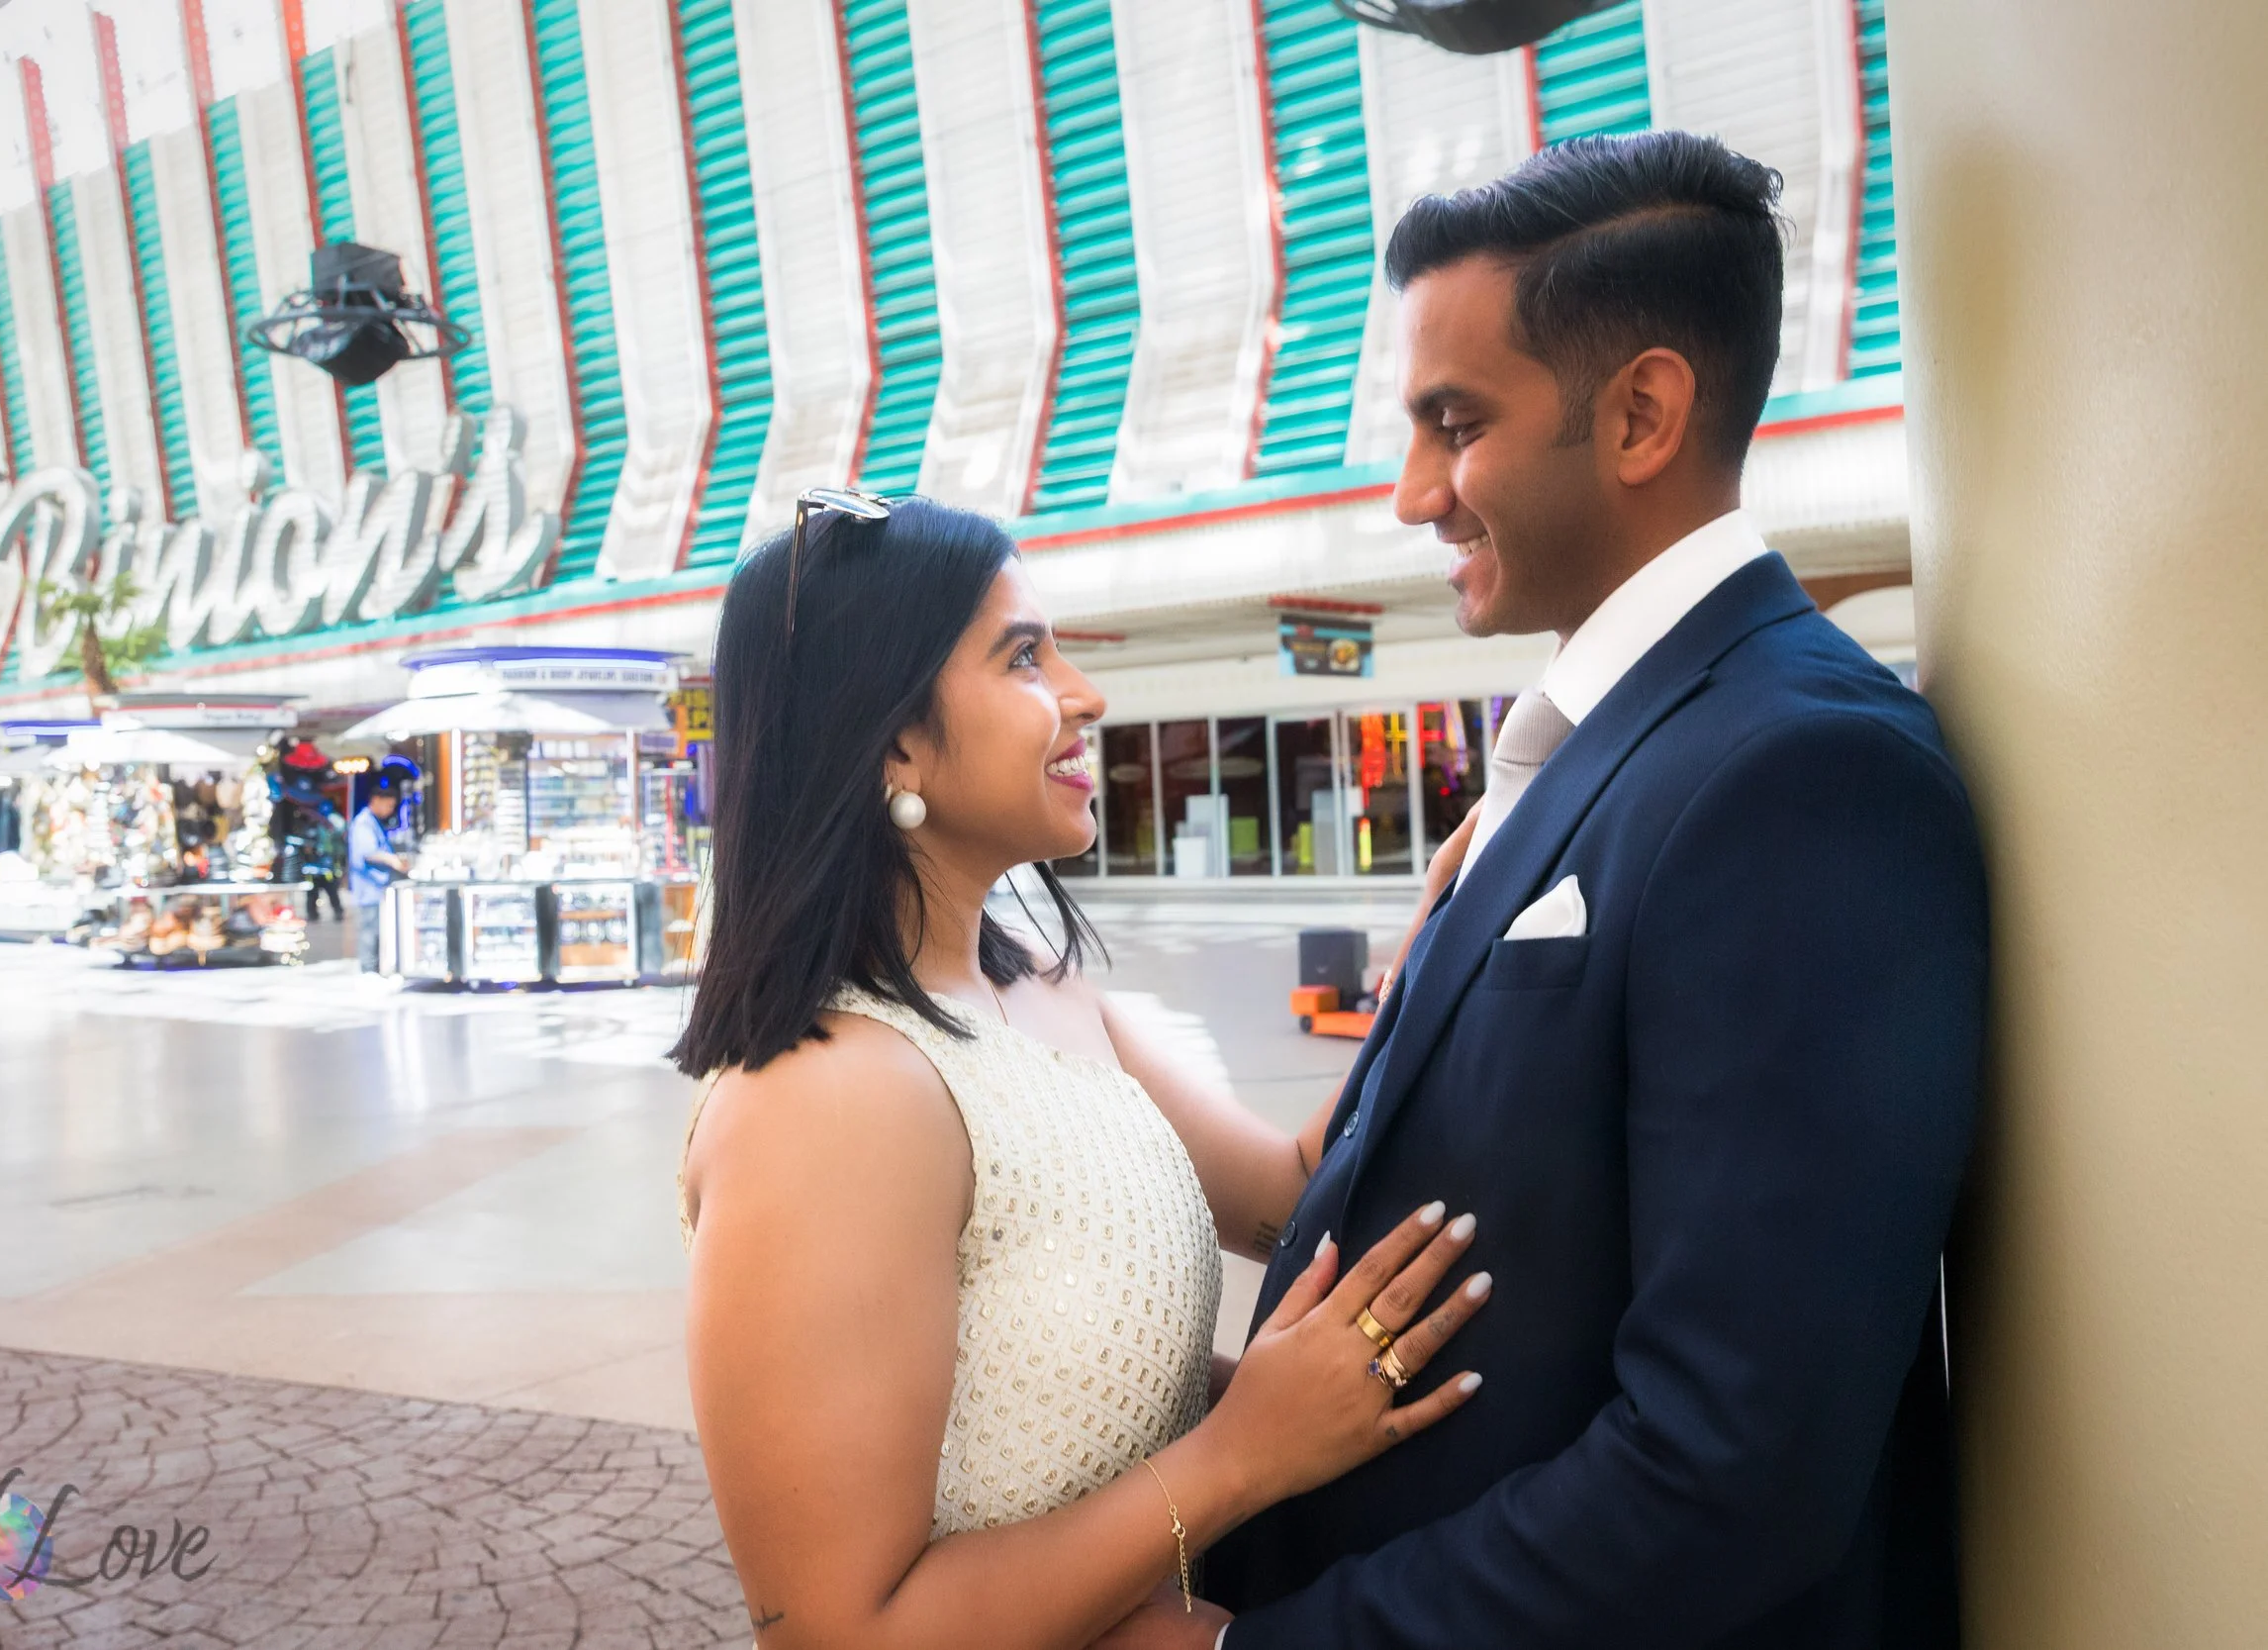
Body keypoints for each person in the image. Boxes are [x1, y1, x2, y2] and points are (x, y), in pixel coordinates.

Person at [1099, 132, 1990, 1650]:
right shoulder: (1614, 750)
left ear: (1642, 410)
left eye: (1456, 424)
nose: (1410, 493)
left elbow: (1732, 1468)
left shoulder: (1798, 773)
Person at [671, 495, 1496, 1650]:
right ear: (895, 739)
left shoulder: (1050, 993)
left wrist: (1436, 946)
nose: (1085, 691)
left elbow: (1289, 1193)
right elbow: (838, 1634)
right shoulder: (826, 1098)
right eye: (1021, 654)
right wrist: (1238, 1453)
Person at [346, 785, 409, 971]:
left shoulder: (373, 822)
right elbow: (368, 851)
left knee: (376, 929)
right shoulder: (364, 823)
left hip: (376, 887)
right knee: (369, 930)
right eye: (388, 806)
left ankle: (374, 967)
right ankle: (368, 969)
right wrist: (392, 860)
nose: (390, 811)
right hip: (368, 888)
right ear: (376, 801)